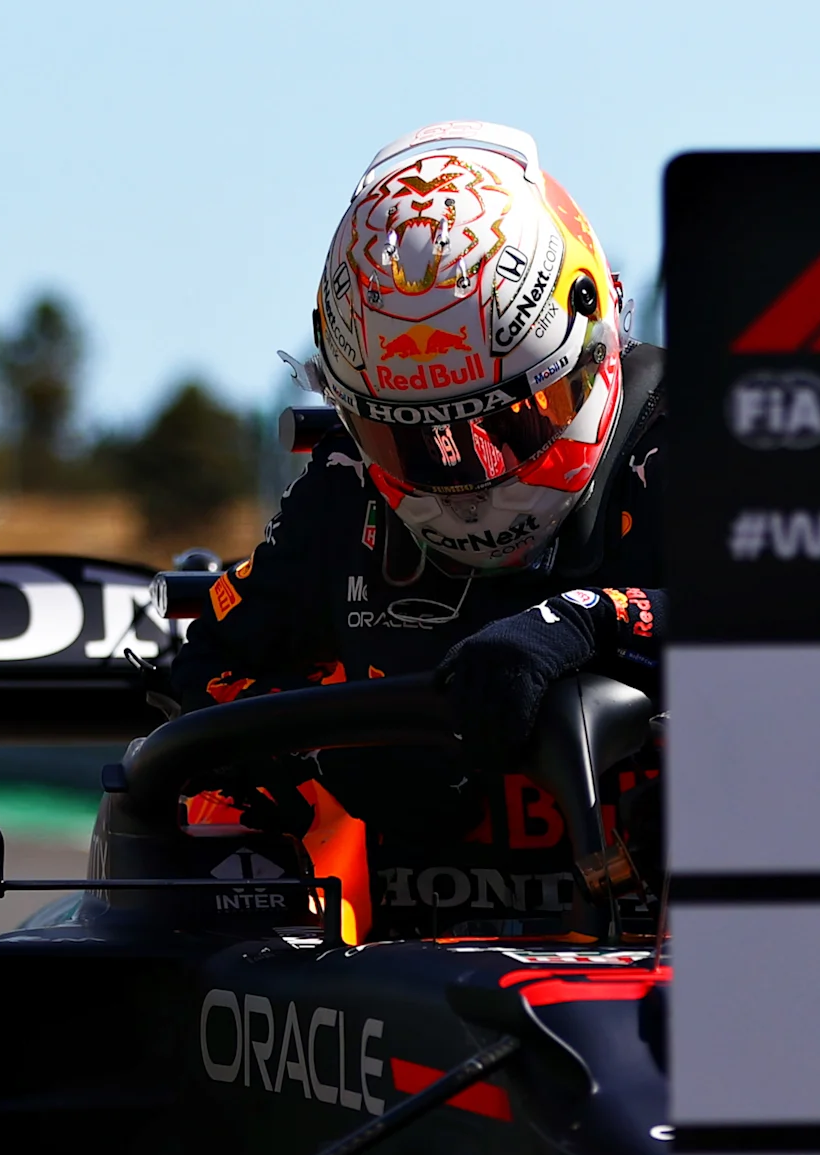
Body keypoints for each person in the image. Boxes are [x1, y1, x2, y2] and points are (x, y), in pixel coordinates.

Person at [160, 120, 663, 935]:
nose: (467, 483)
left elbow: (810, 626)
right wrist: (325, 753)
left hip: (683, 970)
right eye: (414, 440)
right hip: (403, 997)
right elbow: (210, 665)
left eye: (507, 426)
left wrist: (588, 623)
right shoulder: (344, 494)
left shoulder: (693, 451)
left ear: (591, 344)